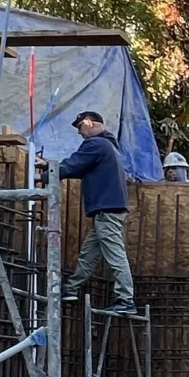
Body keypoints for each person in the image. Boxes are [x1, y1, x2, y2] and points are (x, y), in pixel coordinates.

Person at [58, 108, 136, 313]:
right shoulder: (109, 147)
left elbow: (73, 165)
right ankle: (70, 289)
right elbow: (81, 168)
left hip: (106, 210)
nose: (79, 133)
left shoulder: (96, 144)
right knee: (89, 253)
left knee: (115, 254)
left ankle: (126, 299)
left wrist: (47, 172)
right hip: (108, 210)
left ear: (89, 122)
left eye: (80, 127)